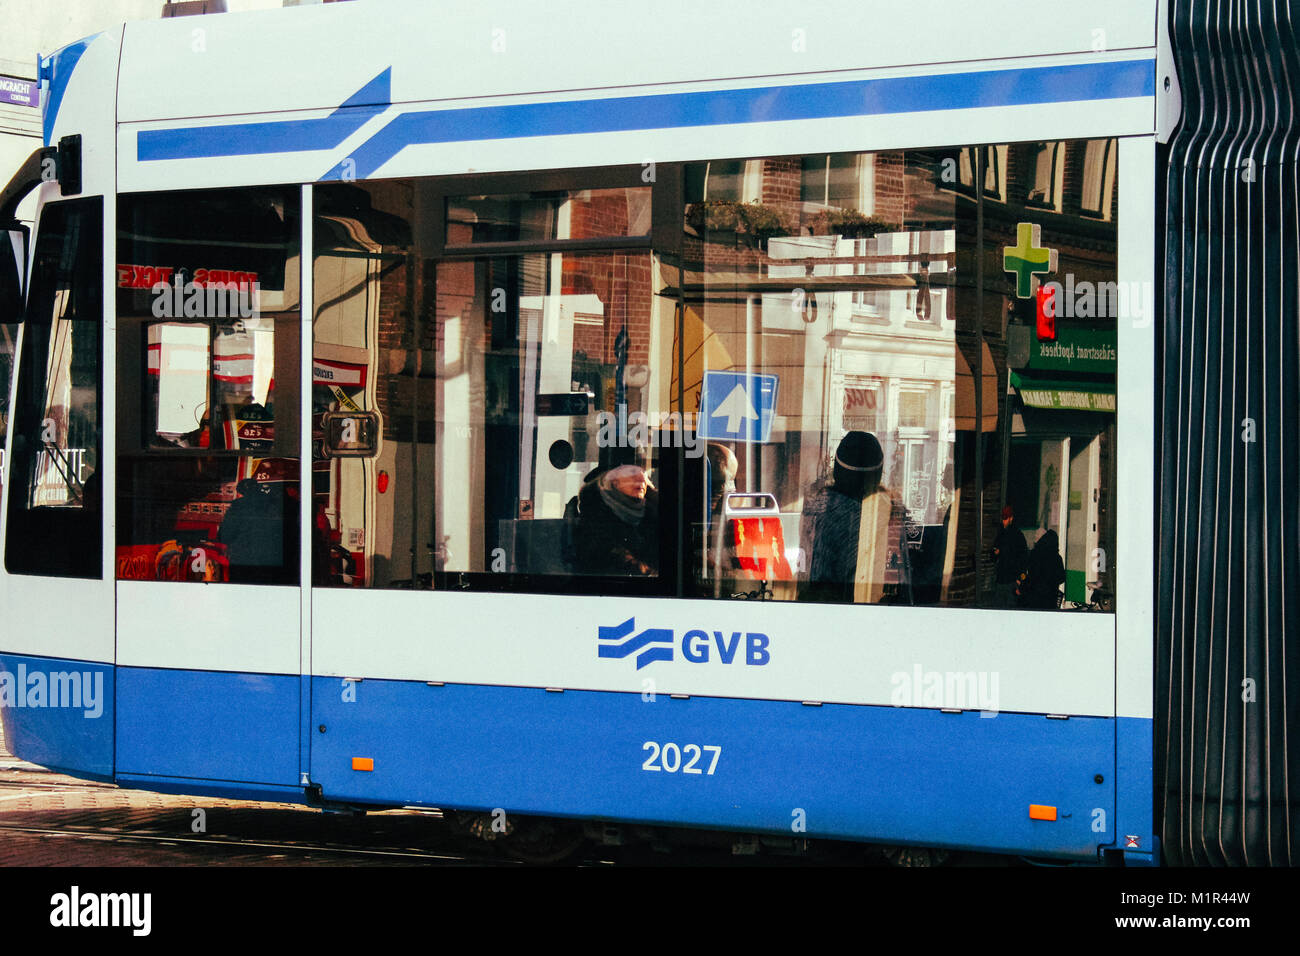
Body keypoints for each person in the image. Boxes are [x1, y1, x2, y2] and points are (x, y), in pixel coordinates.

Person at [799, 431, 910, 604]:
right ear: (878, 474)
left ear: (837, 469)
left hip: (825, 608)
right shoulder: (889, 509)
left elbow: (814, 577)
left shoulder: (818, 508)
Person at [574, 464, 659, 576]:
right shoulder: (595, 518)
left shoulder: (652, 513)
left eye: (645, 475)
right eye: (632, 473)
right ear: (614, 481)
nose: (642, 479)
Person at [991, 505, 1029, 608]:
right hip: (1001, 578)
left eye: (1006, 519)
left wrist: (1020, 578)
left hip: (1012, 579)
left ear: (1011, 518)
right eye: (1003, 519)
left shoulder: (1017, 535)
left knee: (1010, 607)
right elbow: (993, 554)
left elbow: (1023, 557)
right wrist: (995, 553)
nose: (1004, 522)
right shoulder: (1001, 534)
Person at [1021, 528, 1066, 609]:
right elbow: (1061, 578)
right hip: (1051, 597)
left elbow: (1030, 574)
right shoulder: (1057, 558)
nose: (1035, 536)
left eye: (1037, 535)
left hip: (1034, 596)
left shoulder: (1034, 554)